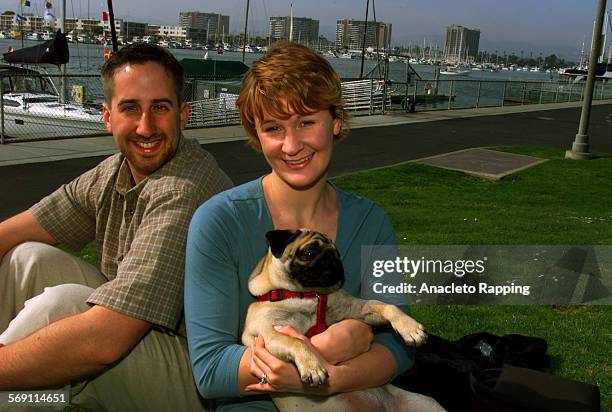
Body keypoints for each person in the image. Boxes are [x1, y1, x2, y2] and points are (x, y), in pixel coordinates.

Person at [184, 41, 417, 411]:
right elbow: (211, 370)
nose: (291, 145)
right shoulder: (219, 221)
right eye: (274, 128)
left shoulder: (371, 222)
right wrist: (313, 356)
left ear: (336, 120)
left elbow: (401, 347)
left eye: (306, 122)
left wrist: (330, 378)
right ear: (257, 136)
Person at [0, 43, 232, 411]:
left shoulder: (186, 188)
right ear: (107, 116)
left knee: (66, 308)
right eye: (130, 108)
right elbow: (14, 232)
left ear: (183, 115)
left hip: (203, 383)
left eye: (160, 107)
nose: (146, 126)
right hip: (140, 340)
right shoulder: (114, 172)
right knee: (24, 258)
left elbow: (105, 340)